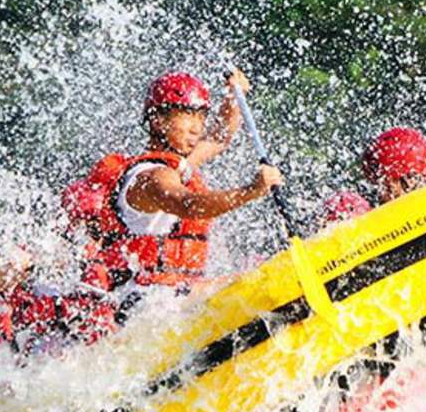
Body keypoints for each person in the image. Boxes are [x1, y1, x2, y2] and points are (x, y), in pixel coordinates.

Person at [65, 69, 283, 290]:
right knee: (257, 281)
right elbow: (190, 205)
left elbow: (220, 136)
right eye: (187, 115)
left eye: (201, 116)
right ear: (158, 121)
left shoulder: (180, 166)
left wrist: (234, 97)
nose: (197, 127)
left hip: (171, 296)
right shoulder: (152, 177)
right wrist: (250, 191)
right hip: (138, 303)